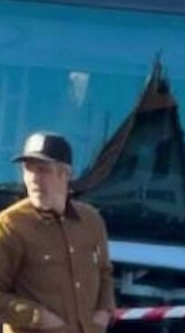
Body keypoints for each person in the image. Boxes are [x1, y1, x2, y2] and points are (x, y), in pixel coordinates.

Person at [0, 133, 114, 333]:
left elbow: (105, 272)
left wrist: (104, 312)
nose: (34, 178)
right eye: (28, 169)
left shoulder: (91, 221)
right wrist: (37, 317)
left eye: (43, 170)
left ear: (66, 174)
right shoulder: (11, 225)